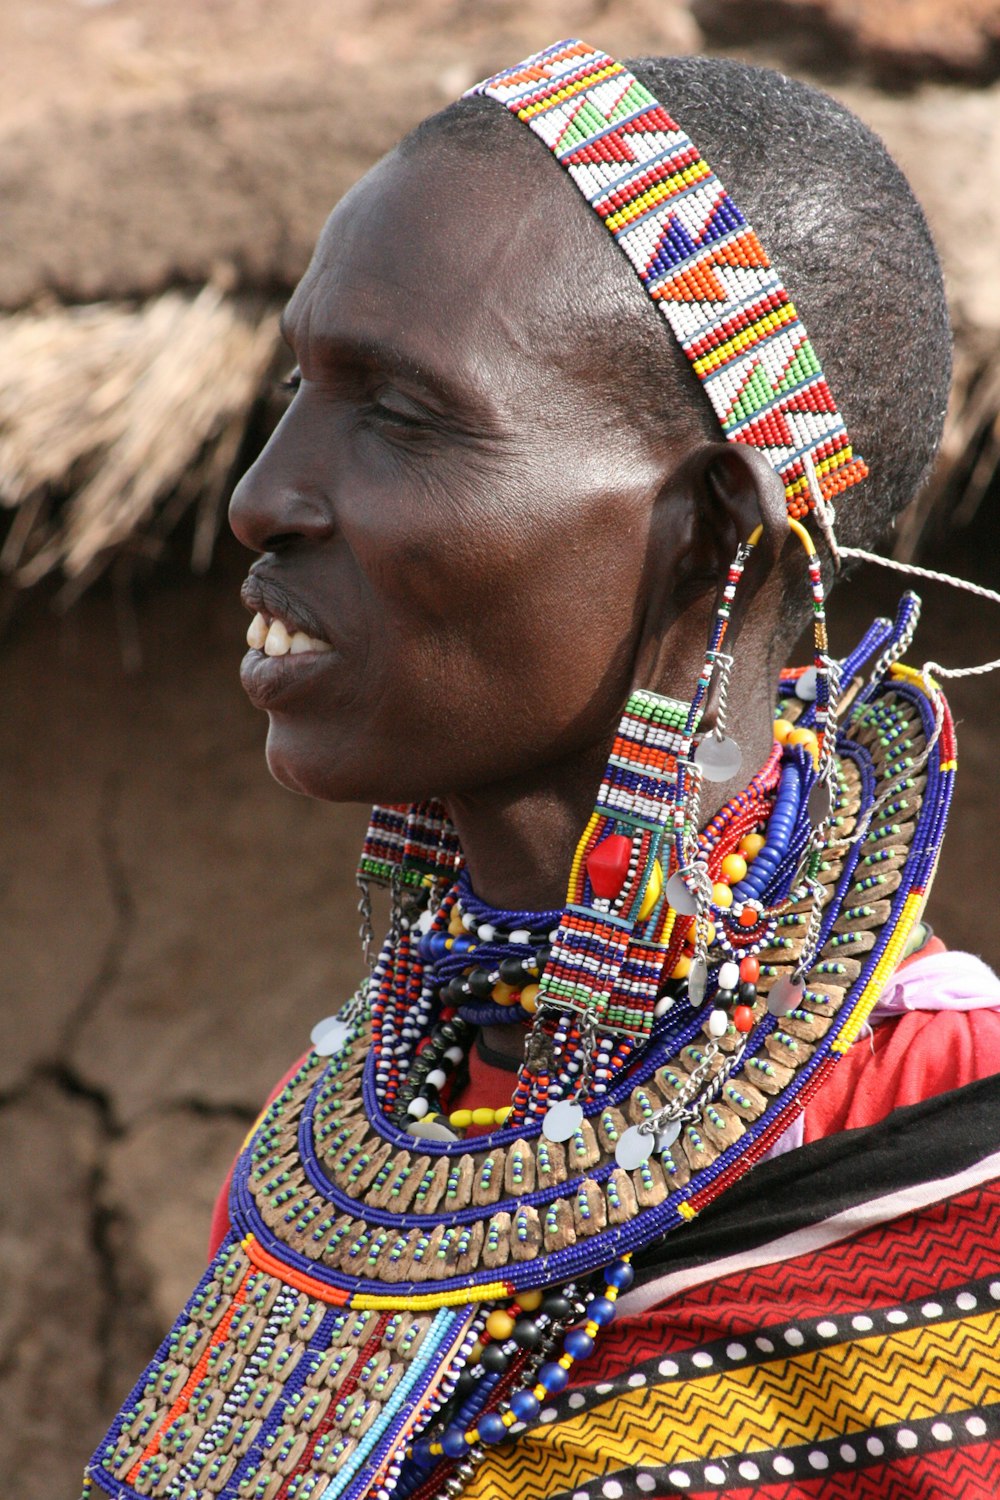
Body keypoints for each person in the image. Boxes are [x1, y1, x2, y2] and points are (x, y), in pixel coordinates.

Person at [82, 41, 1000, 1500]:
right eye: (299, 388)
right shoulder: (348, 1156)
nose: (261, 497)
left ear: (714, 544)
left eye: (397, 413)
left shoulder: (953, 1180)